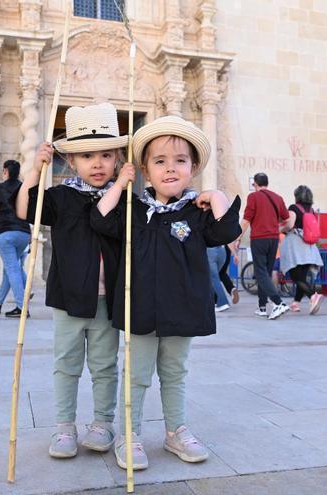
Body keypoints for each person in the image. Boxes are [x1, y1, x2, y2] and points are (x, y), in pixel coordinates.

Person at [92, 115, 241, 470]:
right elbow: (100, 218)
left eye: (180, 161)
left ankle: (175, 430)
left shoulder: (196, 212)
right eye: (160, 162)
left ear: (193, 168)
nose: (170, 169)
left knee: (174, 371)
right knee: (138, 374)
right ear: (145, 168)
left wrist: (217, 195)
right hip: (140, 308)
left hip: (181, 310)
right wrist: (120, 183)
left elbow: (226, 232)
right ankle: (130, 435)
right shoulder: (134, 209)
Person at [15, 103, 124, 460]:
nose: (97, 163)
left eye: (106, 155)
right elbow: (24, 209)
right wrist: (36, 170)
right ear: (72, 162)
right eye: (87, 155)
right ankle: (64, 426)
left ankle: (103, 423)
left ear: (117, 159)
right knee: (67, 364)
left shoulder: (123, 199)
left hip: (109, 302)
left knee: (105, 365)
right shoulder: (61, 197)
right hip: (69, 299)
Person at [235, 173, 292, 320]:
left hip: (259, 239)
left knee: (260, 272)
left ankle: (278, 303)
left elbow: (246, 220)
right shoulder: (277, 198)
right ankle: (262, 307)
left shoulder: (253, 197)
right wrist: (277, 229)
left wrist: (238, 237)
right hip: (274, 240)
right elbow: (288, 221)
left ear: (255, 184)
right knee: (265, 273)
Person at [0, 160, 32, 317]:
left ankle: (21, 307)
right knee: (10, 268)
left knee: (12, 268)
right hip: (24, 233)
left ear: (5, 171)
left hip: (5, 234)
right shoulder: (24, 188)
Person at [279, 185, 325, 315]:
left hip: (296, 244)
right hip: (309, 246)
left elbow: (290, 224)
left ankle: (313, 296)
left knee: (295, 275)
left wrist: (280, 230)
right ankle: (296, 303)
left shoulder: (294, 208)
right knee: (302, 276)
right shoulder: (311, 211)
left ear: (297, 196)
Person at [207, 246, 231, 312]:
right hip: (222, 251)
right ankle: (215, 301)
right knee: (214, 278)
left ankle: (222, 303)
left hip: (210, 250)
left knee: (214, 278)